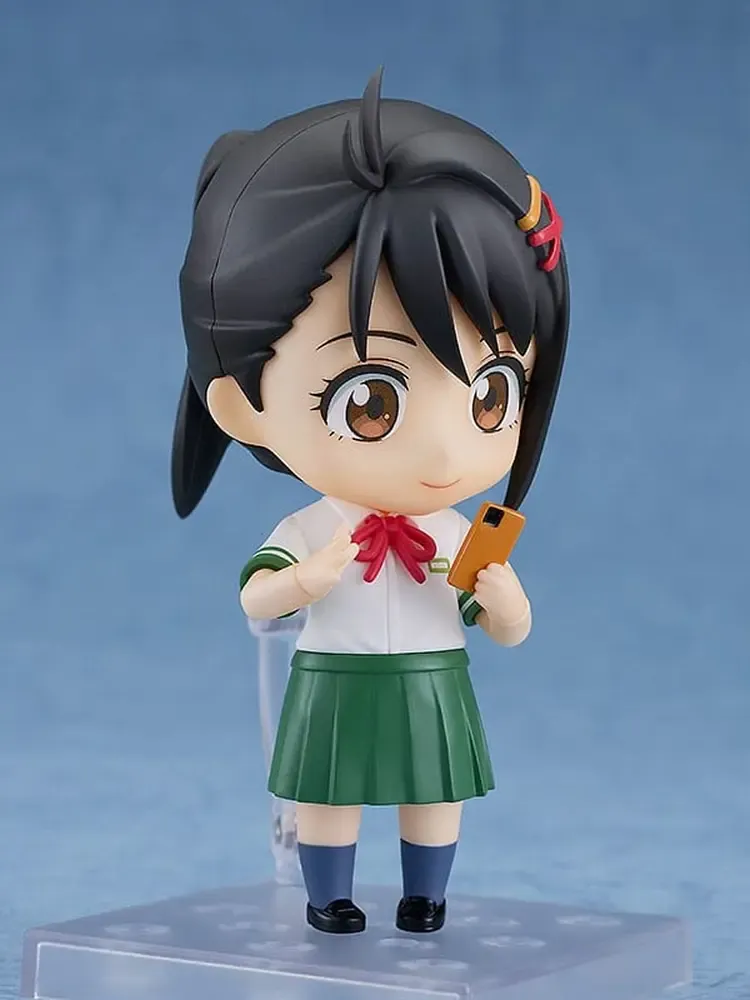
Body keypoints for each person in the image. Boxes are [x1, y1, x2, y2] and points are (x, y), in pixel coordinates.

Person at [171, 68, 569, 935]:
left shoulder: (457, 529)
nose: (445, 451)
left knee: (435, 791)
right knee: (330, 794)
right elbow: (256, 598)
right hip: (334, 674)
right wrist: (303, 580)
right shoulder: (312, 527)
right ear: (240, 407)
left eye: (492, 393)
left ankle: (427, 896)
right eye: (372, 402)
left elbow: (505, 629)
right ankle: (329, 898)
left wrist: (504, 600)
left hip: (432, 673)